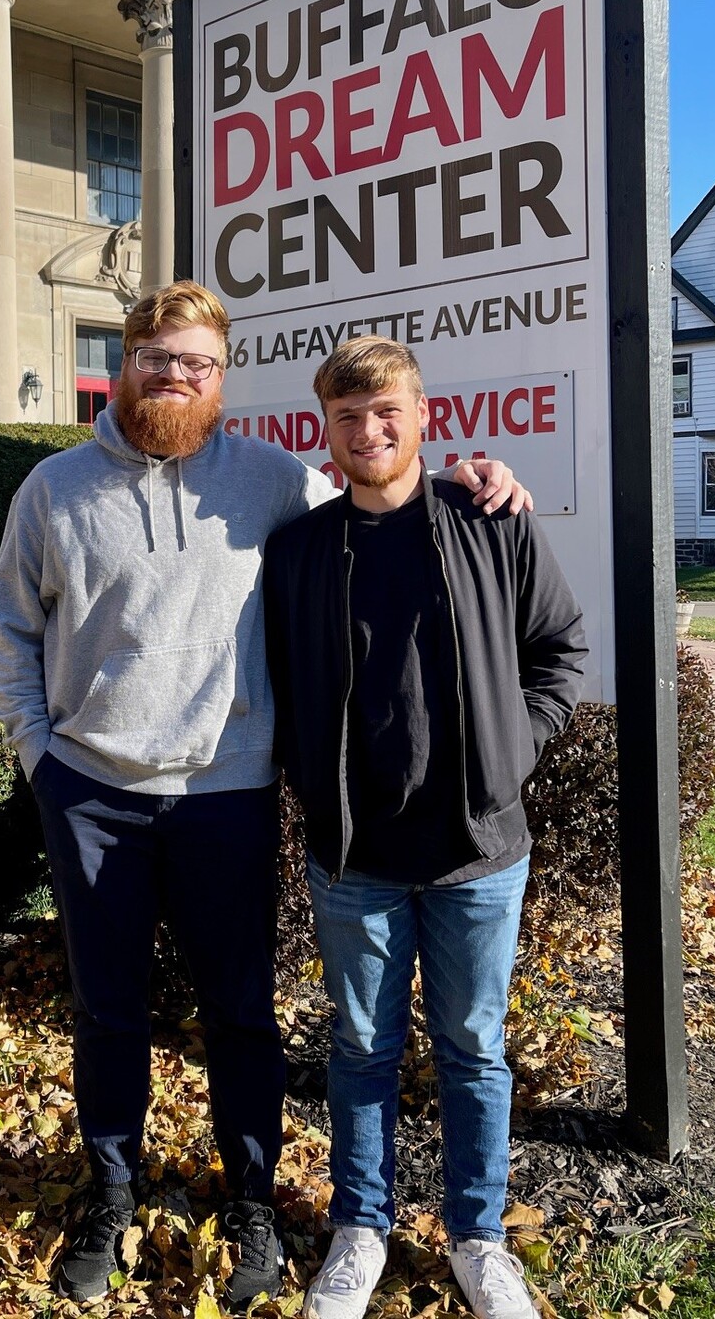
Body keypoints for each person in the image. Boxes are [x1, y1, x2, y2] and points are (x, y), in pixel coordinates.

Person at [0, 282, 532, 1311]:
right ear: (126, 362)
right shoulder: (53, 489)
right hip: (91, 794)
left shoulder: (277, 480)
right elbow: (12, 627)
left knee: (241, 1012)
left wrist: (477, 481)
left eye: (196, 363)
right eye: (157, 358)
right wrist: (39, 758)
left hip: (226, 795)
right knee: (107, 1008)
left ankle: (250, 1200)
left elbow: (383, 498)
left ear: (220, 377)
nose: (175, 376)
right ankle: (111, 1189)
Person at [262, 336, 587, 1319]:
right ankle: (359, 1227)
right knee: (359, 1050)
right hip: (352, 856)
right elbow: (279, 683)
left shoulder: (489, 521)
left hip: (476, 853)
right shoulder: (300, 551)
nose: (368, 431)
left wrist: (514, 749)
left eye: (385, 412)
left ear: (421, 417)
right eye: (348, 416)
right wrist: (306, 777)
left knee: (472, 1051)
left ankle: (477, 1237)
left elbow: (558, 647)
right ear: (326, 429)